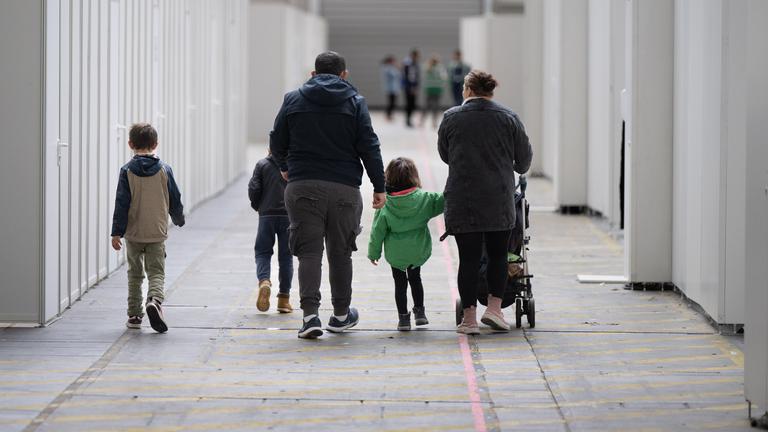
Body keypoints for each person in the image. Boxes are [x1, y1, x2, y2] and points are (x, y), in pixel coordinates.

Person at [270, 51, 386, 339]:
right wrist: (380, 186)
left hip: (302, 186)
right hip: (344, 189)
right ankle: (341, 315)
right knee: (340, 253)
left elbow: (276, 139)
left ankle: (310, 318)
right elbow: (369, 146)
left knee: (308, 252)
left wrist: (285, 167)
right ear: (344, 75)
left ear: (313, 74)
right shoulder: (355, 102)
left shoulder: (293, 99)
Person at [437, 70, 532, 335]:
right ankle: (494, 309)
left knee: (468, 259)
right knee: (498, 255)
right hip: (498, 199)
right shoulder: (509, 118)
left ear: (467, 89)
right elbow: (524, 161)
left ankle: (468, 319)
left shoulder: (451, 118)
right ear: (491, 91)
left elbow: (445, 155)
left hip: (462, 198)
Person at [110, 123, 185, 333]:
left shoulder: (126, 171)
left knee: (134, 273)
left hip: (134, 233)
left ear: (130, 144)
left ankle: (134, 315)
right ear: (155, 144)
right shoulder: (164, 169)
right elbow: (174, 198)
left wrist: (116, 232)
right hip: (156, 231)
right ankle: (154, 300)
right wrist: (178, 218)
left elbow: (121, 203)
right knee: (156, 272)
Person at [367, 158, 444, 331]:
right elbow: (444, 200)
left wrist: (374, 253)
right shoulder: (424, 198)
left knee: (399, 284)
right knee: (416, 279)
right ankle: (420, 313)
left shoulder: (385, 203)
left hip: (396, 253)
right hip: (417, 250)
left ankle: (403, 318)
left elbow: (377, 231)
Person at [248, 151, 293, 313]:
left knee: (262, 252)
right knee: (286, 257)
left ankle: (264, 281)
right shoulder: (293, 165)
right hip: (288, 216)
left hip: (266, 215)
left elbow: (254, 188)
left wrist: (259, 207)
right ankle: (283, 299)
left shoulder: (262, 165)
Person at [421, 54, 447, 128]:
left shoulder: (427, 67)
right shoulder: (440, 68)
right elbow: (444, 77)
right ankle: (434, 122)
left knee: (426, 105)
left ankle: (422, 121)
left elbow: (424, 77)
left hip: (429, 88)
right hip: (437, 89)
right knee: (435, 106)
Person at [402, 49, 420, 127]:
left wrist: (416, 87)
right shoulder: (408, 64)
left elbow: (416, 77)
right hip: (409, 87)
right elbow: (408, 77)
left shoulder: (415, 64)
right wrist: (411, 87)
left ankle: (409, 119)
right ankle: (408, 120)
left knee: (412, 104)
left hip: (413, 87)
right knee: (409, 104)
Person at [380, 55, 400, 121]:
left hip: (394, 88)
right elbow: (395, 75)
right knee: (391, 102)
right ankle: (388, 115)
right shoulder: (387, 68)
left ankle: (390, 114)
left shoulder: (391, 68)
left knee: (393, 102)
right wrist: (397, 68)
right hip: (390, 88)